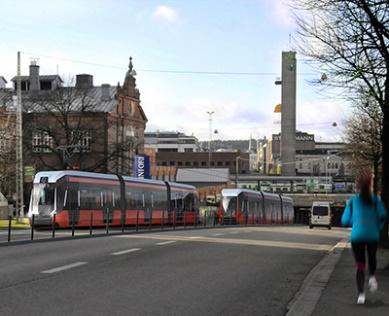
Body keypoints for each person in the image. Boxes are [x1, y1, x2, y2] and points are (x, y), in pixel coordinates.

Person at [341, 170, 387, 305]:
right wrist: (377, 227)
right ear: (371, 185)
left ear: (357, 186)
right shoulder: (376, 200)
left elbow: (344, 221)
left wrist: (355, 222)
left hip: (357, 236)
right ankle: (372, 277)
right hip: (373, 235)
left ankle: (361, 294)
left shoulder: (353, 201)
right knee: (372, 257)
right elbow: (383, 215)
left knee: (360, 265)